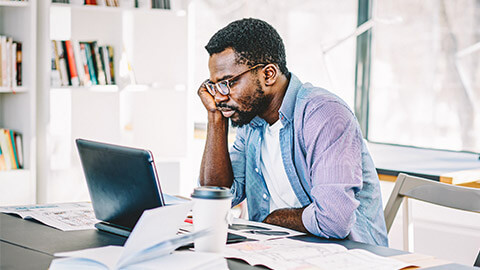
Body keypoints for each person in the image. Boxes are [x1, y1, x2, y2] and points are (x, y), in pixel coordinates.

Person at [197, 18, 388, 246]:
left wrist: (275, 219)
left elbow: (334, 220)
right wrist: (215, 118)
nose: (219, 96)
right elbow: (218, 196)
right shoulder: (251, 123)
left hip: (346, 257)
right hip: (279, 251)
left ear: (268, 74)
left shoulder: (325, 115)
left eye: (228, 83)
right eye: (214, 86)